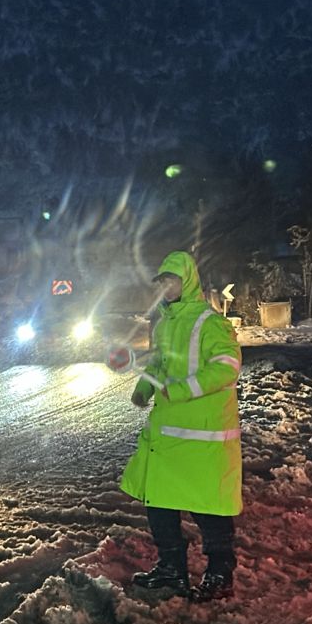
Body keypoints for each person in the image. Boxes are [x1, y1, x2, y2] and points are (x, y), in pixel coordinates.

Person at [120, 251, 244, 601]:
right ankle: (171, 568)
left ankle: (220, 574)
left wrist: (180, 391)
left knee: (209, 508)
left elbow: (226, 367)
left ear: (188, 281)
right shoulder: (165, 322)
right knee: (159, 502)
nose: (166, 287)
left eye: (172, 280)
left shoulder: (209, 322)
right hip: (169, 433)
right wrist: (145, 385)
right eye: (162, 281)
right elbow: (162, 363)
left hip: (203, 435)